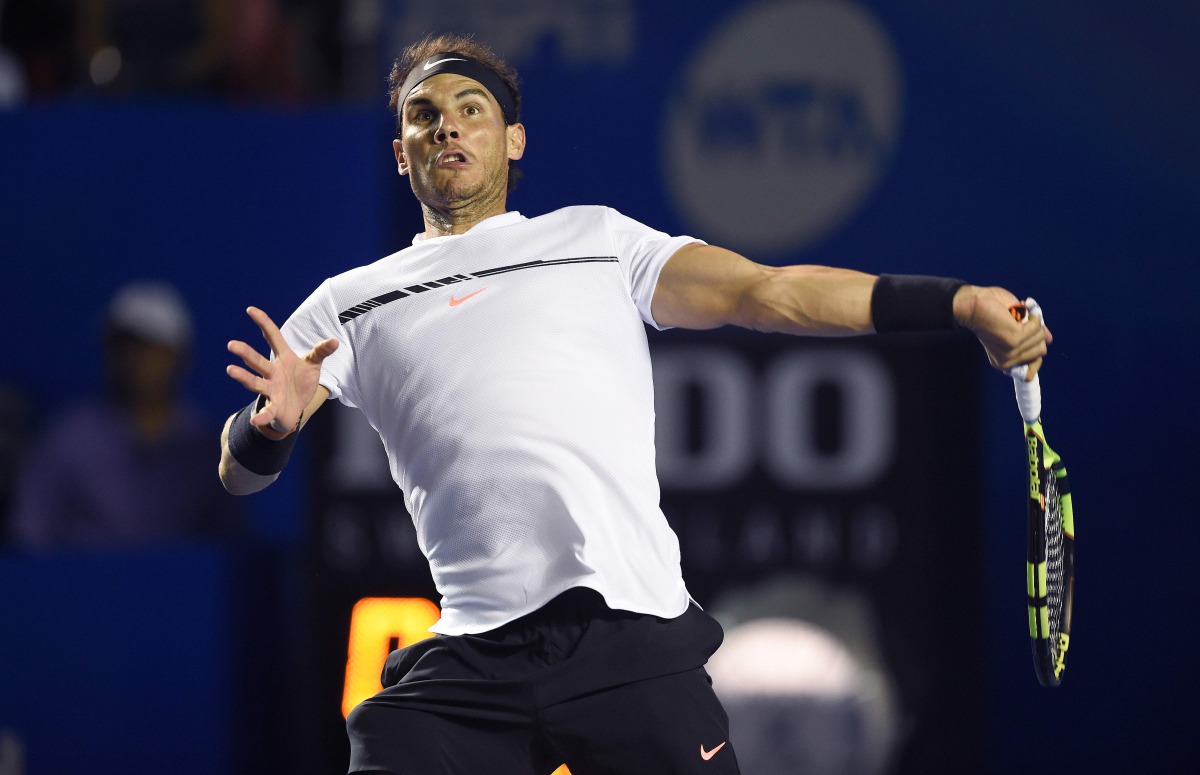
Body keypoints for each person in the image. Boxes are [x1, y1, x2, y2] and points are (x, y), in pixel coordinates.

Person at [218, 33, 1051, 774]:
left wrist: (958, 301)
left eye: (470, 109)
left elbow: (771, 292)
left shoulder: (598, 241)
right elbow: (240, 475)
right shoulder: (349, 303)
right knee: (387, 735)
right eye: (422, 114)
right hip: (471, 656)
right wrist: (267, 429)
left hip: (626, 635)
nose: (446, 125)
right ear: (401, 152)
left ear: (512, 140)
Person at [13, 280, 242, 548]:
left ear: (178, 356)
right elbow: (30, 535)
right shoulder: (68, 438)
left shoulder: (208, 447)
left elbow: (231, 543)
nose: (133, 359)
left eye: (148, 346)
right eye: (122, 345)